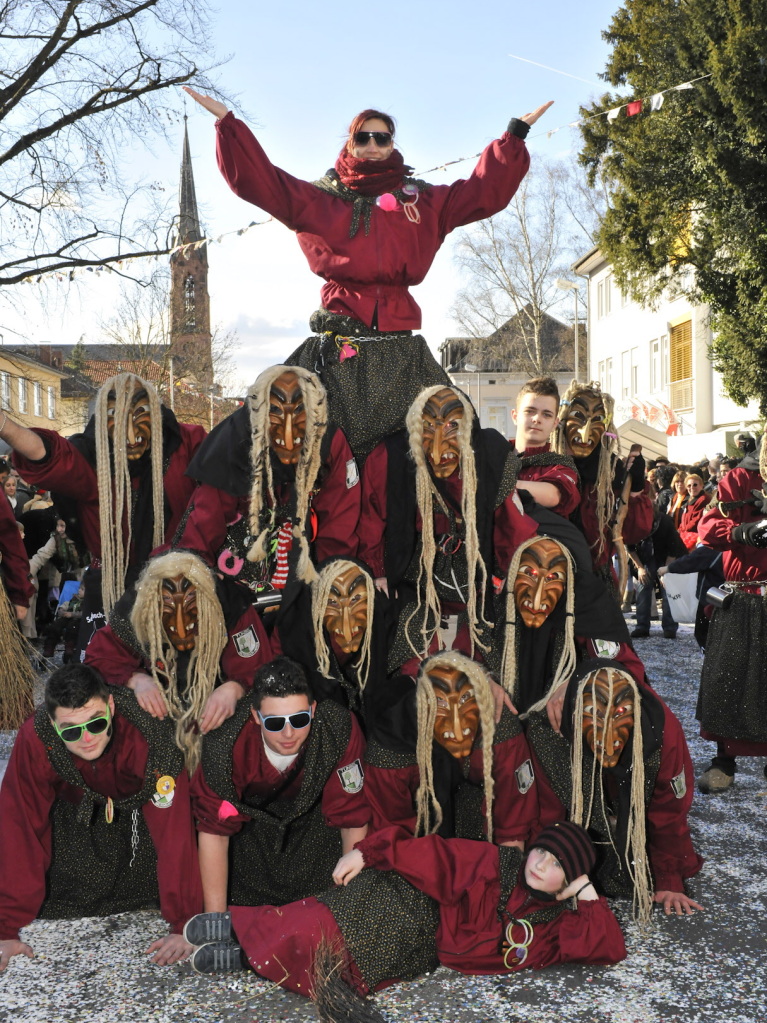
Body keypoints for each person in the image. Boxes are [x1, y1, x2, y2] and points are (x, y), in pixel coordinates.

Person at [184, 87, 553, 456]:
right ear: (350, 144)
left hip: (401, 353)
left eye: (382, 137)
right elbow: (261, 181)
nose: (373, 145)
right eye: (363, 137)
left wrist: (514, 136)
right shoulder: (320, 199)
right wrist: (227, 125)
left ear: (392, 144)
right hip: (338, 347)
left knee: (456, 443)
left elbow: (481, 193)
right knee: (266, 433)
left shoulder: (421, 201)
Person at [181, 820, 625, 1015]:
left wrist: (585, 890)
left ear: (566, 883)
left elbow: (607, 945)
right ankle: (234, 926)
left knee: (339, 965)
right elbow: (438, 854)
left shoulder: (553, 929)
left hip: (420, 946)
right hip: (411, 900)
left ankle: (241, 956)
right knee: (324, 922)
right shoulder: (497, 864)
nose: (540, 865)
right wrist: (368, 851)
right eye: (542, 852)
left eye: (556, 867)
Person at [0, 664, 203, 971]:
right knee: (63, 892)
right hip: (80, 811)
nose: (86, 739)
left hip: (143, 816)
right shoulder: (35, 736)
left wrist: (185, 923)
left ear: (110, 706)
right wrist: (5, 927)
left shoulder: (151, 735)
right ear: (53, 725)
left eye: (96, 724)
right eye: (70, 730)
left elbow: (174, 833)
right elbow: (20, 826)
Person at [3, 373, 206, 653]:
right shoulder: (91, 460)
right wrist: (4, 425)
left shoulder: (184, 444)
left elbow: (224, 474)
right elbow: (47, 453)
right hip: (111, 587)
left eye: (140, 414)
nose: (131, 435)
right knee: (106, 672)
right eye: (116, 417)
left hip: (177, 588)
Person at [358, 384, 537, 671]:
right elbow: (372, 515)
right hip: (417, 586)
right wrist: (377, 571)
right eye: (428, 426)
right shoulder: (390, 458)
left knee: (483, 669)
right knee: (411, 667)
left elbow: (511, 525)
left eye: (453, 426)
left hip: (476, 590)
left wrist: (512, 578)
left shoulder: (490, 456)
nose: (439, 447)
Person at [526, 659, 704, 922]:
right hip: (582, 820)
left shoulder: (662, 732)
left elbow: (669, 812)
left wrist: (668, 878)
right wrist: (544, 865)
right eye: (594, 714)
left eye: (621, 712)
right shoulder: (549, 732)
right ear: (574, 714)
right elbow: (545, 810)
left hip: (637, 828)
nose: (608, 738)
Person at [190, 657, 370, 910]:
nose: (288, 734)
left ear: (313, 710)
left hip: (315, 838)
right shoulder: (226, 741)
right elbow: (214, 831)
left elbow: (352, 818)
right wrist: (216, 921)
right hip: (251, 844)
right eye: (274, 723)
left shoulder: (337, 727)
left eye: (299, 720)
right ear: (255, 716)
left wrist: (349, 907)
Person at [176, 365, 360, 595]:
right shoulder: (234, 440)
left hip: (301, 559)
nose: (289, 434)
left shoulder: (329, 440)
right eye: (275, 411)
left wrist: (334, 578)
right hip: (237, 567)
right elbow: (206, 519)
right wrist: (196, 571)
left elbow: (340, 518)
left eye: (300, 411)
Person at [85, 550, 273, 771]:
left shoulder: (231, 607)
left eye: (193, 609)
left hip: (218, 726)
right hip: (160, 724)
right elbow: (101, 657)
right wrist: (136, 680)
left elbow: (260, 667)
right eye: (168, 610)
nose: (181, 626)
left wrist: (235, 688)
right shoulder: (135, 611)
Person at [363, 652, 539, 847]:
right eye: (441, 706)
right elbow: (390, 839)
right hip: (418, 831)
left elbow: (512, 828)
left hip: (477, 813)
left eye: (466, 702)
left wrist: (503, 872)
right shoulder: (390, 744)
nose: (457, 727)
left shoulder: (500, 728)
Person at [694, 436, 767, 793]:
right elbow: (706, 528)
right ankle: (724, 761)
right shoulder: (739, 479)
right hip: (742, 598)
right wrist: (741, 531)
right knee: (728, 680)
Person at [553, 381, 652, 590]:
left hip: (596, 583)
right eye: (577, 416)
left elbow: (634, 532)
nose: (586, 431)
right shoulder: (546, 465)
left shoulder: (612, 472)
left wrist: (635, 490)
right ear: (562, 420)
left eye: (597, 419)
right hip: (548, 578)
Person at [509, 376, 580, 516]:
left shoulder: (561, 466)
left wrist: (496, 484)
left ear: (555, 423)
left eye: (546, 415)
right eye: (530, 411)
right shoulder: (491, 455)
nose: (537, 419)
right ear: (515, 416)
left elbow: (552, 495)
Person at [628, 507, 688, 640]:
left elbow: (673, 549)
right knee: (643, 588)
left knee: (668, 591)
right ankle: (641, 626)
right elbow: (630, 549)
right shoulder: (633, 523)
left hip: (667, 556)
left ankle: (670, 627)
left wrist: (665, 572)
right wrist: (640, 568)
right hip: (645, 557)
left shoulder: (665, 521)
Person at [41, 580, 84, 661]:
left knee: (72, 628)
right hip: (66, 617)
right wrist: (62, 610)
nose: (79, 590)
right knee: (55, 626)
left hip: (77, 620)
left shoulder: (87, 602)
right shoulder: (74, 598)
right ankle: (49, 647)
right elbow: (65, 604)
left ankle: (69, 647)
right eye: (79, 589)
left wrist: (72, 614)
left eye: (82, 590)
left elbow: (84, 613)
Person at [677, 474, 710, 550]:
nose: (692, 488)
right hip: (686, 536)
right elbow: (684, 519)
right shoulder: (690, 499)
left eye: (695, 485)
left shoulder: (703, 499)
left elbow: (696, 520)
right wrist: (679, 530)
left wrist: (683, 530)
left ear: (701, 486)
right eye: (689, 486)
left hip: (696, 539)